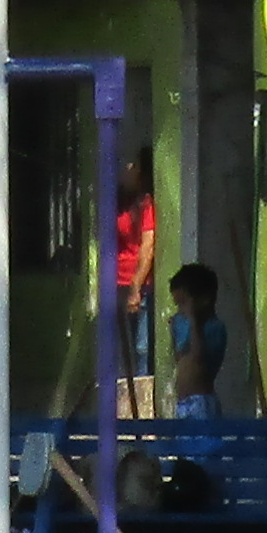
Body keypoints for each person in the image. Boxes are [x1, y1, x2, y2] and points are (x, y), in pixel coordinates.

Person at [110, 148, 161, 406]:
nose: (127, 168)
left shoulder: (147, 205)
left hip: (139, 284)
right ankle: (120, 405)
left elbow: (147, 246)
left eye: (132, 164)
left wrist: (135, 287)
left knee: (141, 348)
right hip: (115, 282)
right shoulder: (118, 203)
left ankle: (140, 404)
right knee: (120, 348)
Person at [161, 261, 231, 424]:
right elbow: (180, 359)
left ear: (204, 300)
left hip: (201, 403)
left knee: (202, 446)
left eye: (184, 304)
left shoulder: (214, 328)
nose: (180, 310)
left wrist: (194, 321)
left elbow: (198, 358)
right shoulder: (183, 324)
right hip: (183, 402)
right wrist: (174, 332)